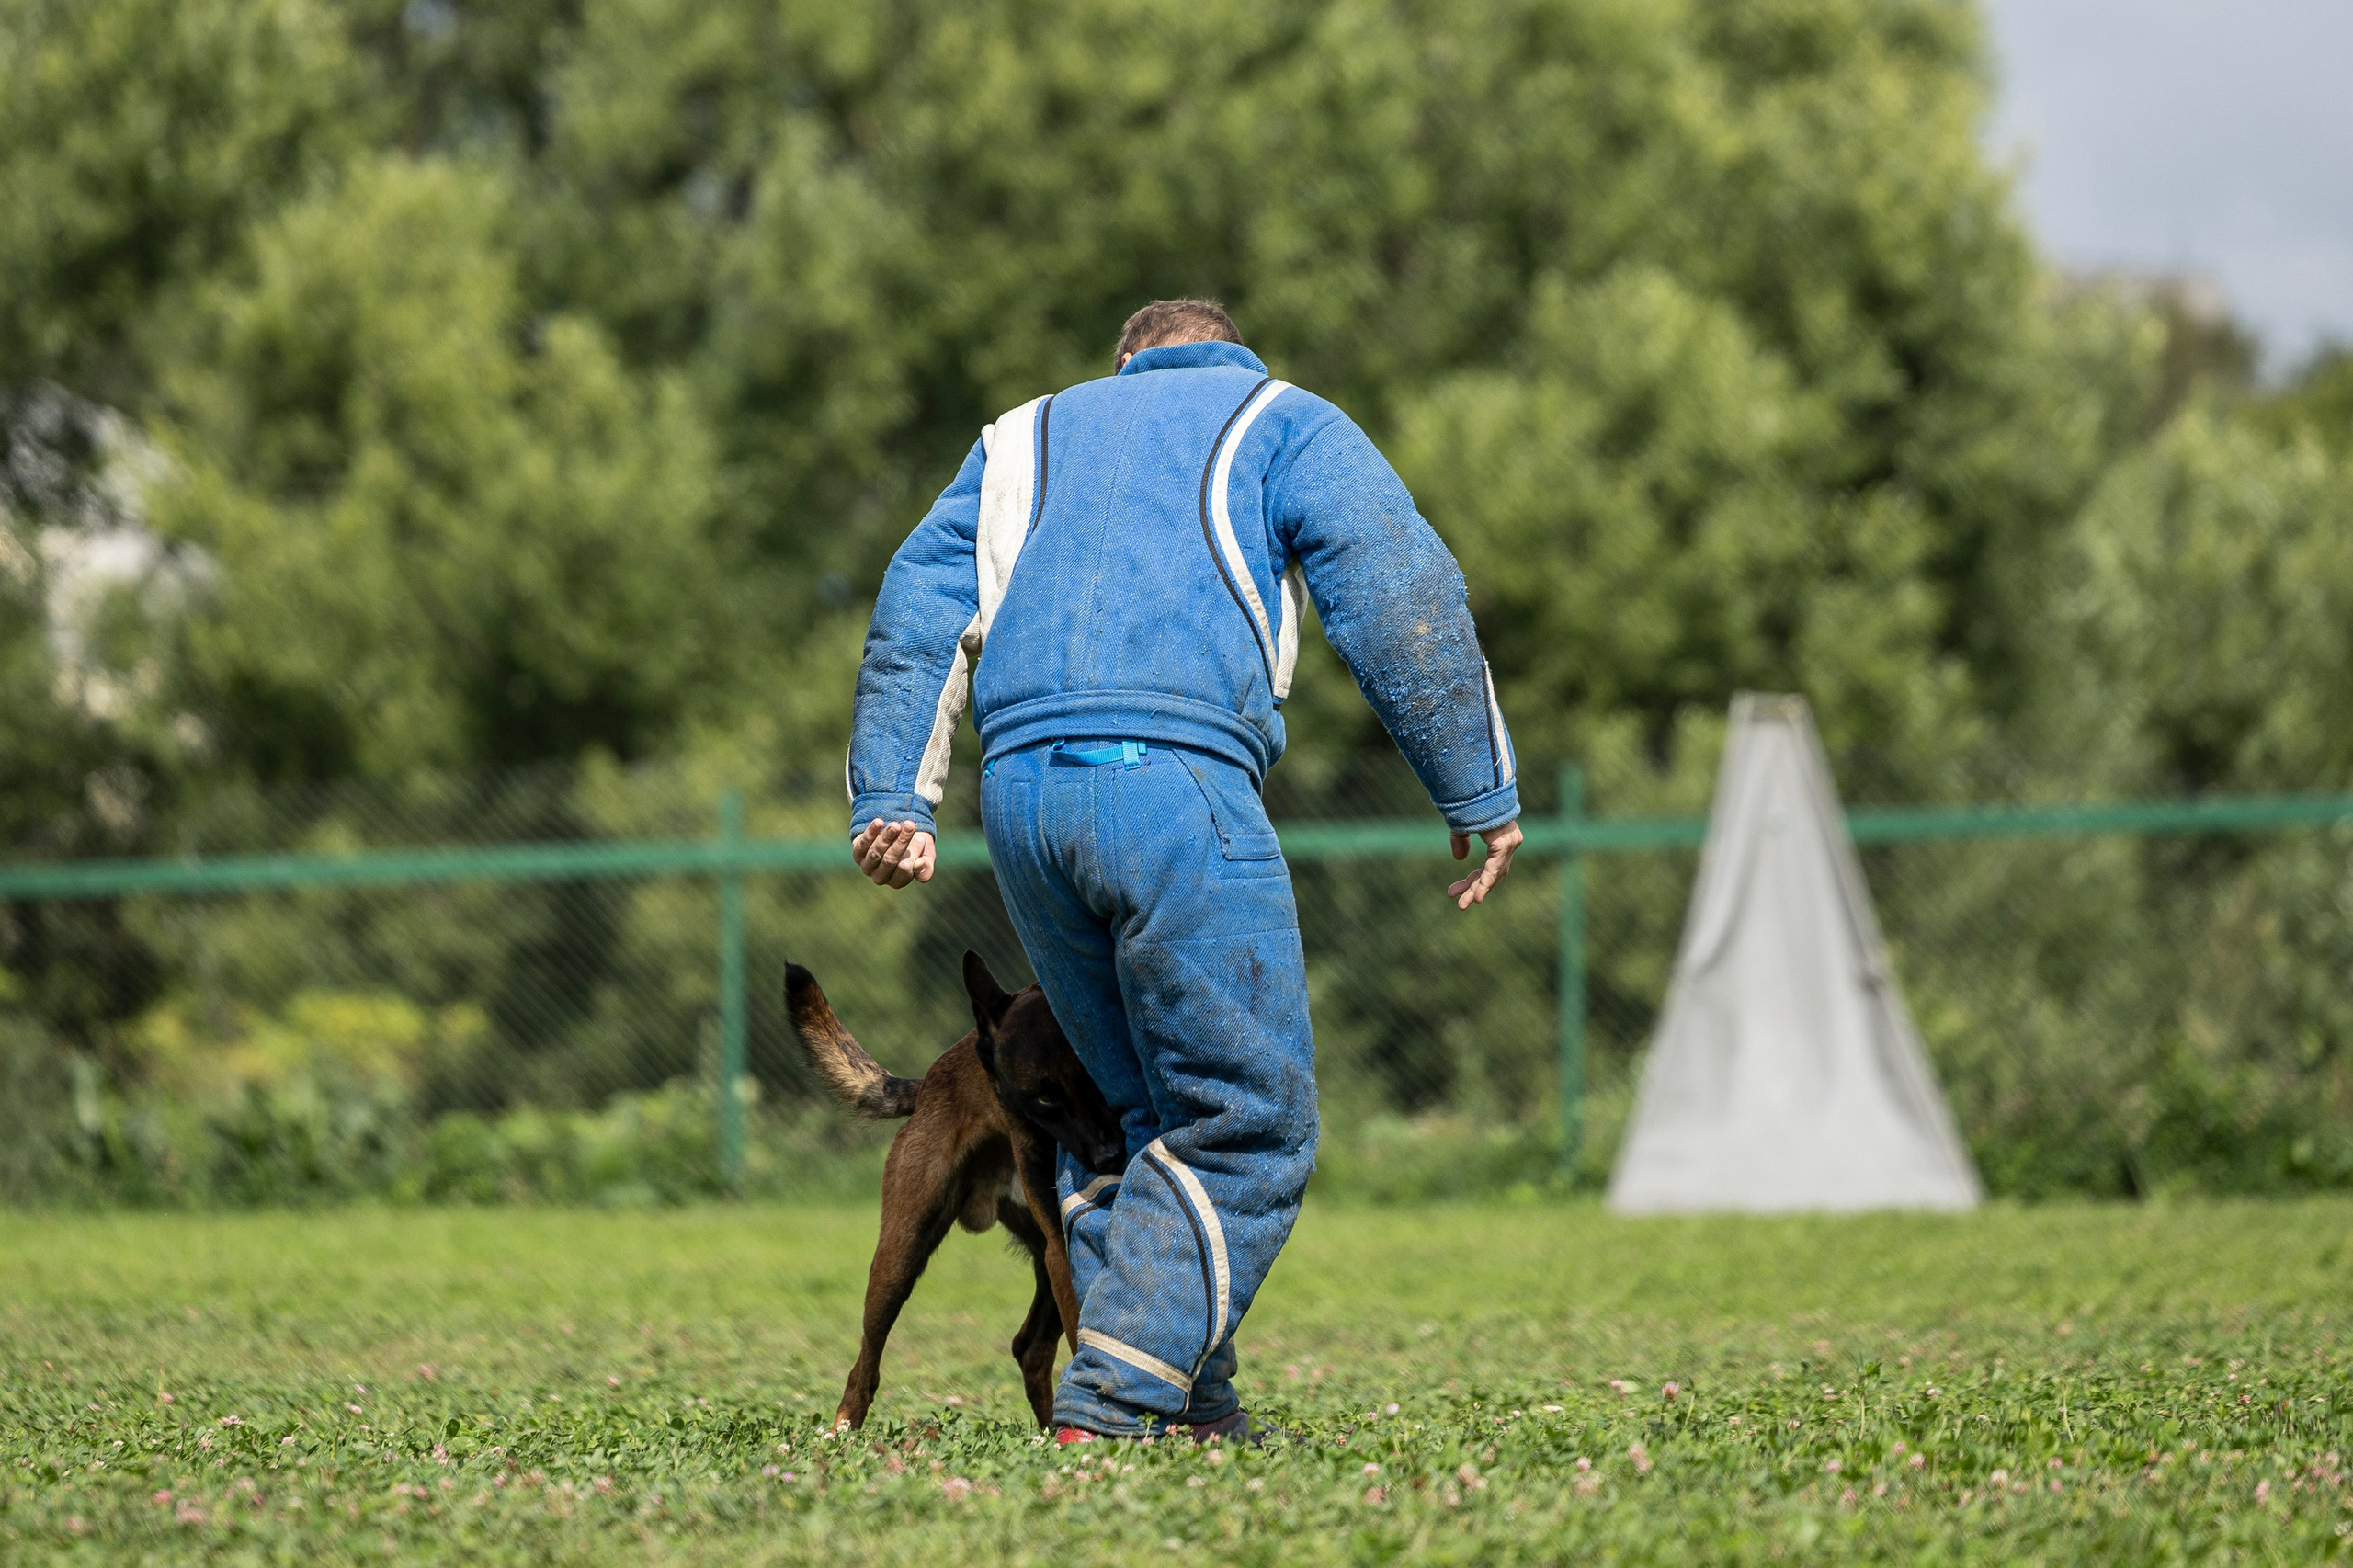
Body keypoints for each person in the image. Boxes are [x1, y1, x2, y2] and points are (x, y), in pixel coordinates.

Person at [845, 300, 1521, 1442]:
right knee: (1248, 1120)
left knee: (1126, 1120)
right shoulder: (1280, 417)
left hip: (1021, 802)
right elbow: (1396, 582)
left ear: (1122, 364)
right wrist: (1477, 783)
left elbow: (919, 600)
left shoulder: (1023, 433)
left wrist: (895, 799)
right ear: (1231, 351)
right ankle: (1109, 1402)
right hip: (1175, 789)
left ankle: (1192, 1406)